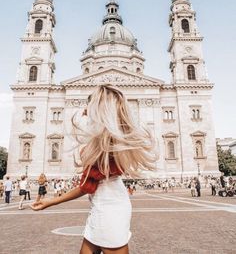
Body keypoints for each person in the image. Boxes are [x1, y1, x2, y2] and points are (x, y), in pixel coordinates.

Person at [31, 84, 157, 254]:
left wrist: (51, 201)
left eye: (89, 105)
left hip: (109, 210)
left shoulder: (104, 149)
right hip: (105, 205)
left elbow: (85, 187)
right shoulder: (106, 143)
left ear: (99, 110)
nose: (85, 109)